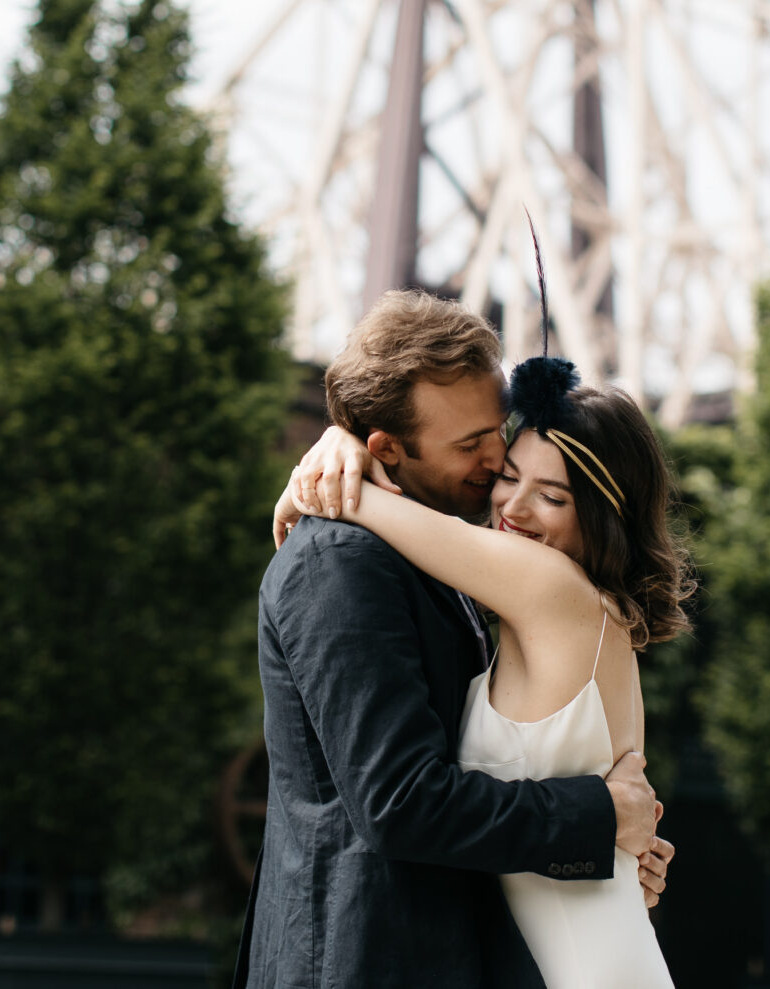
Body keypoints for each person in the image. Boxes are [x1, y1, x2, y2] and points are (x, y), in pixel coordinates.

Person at [234, 291, 673, 989]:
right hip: (364, 960)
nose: (495, 462)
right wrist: (597, 820)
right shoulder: (340, 564)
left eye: (496, 431)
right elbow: (400, 802)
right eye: (473, 446)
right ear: (386, 448)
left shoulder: (466, 565)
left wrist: (616, 849)